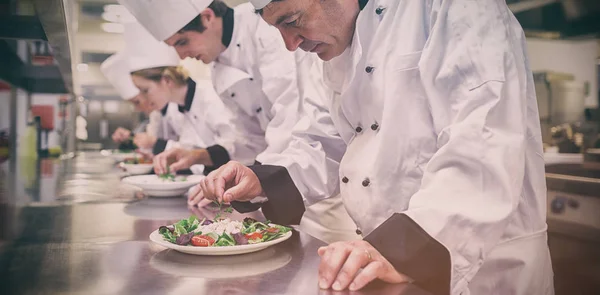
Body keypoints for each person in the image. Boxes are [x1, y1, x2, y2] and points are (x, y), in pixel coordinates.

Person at [194, 0, 555, 294]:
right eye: (277, 27)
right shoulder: (326, 44)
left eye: (291, 20)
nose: (290, 43)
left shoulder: (452, 6)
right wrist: (263, 180)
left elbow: (482, 142)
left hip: (483, 263)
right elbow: (322, 139)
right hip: (384, 260)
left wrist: (402, 248)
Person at [118, 0, 359, 243]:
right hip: (285, 178)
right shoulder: (218, 68)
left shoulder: (267, 32)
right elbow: (247, 139)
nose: (182, 57)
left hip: (321, 186)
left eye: (182, 42)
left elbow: (291, 120)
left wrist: (258, 177)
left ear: (208, 17)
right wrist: (205, 160)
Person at [124, 21, 262, 175]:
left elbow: (240, 147)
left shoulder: (210, 97)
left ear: (167, 80)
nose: (143, 99)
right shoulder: (180, 106)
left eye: (145, 90)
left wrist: (162, 146)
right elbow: (191, 148)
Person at [100, 51, 183, 152]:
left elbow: (193, 151)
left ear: (166, 81)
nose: (138, 108)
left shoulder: (179, 107)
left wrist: (154, 143)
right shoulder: (157, 113)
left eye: (137, 101)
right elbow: (152, 146)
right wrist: (131, 138)